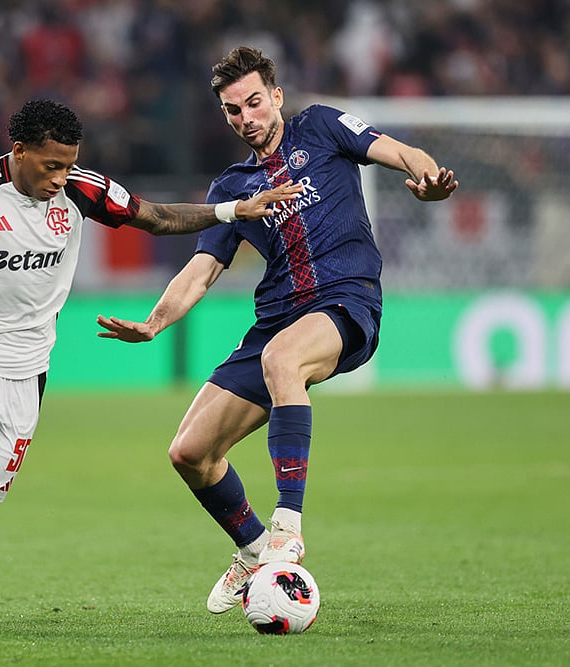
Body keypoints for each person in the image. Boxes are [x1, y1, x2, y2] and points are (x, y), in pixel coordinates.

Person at [0, 99, 301, 633]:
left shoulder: (81, 189)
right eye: (50, 166)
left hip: (27, 375)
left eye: (69, 165)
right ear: (19, 151)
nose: (60, 178)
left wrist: (232, 211)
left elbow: (156, 218)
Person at [96, 46, 458, 614]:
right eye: (233, 109)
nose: (247, 117)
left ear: (277, 96)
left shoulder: (322, 126)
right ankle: (253, 548)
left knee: (283, 360)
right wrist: (154, 323)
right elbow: (201, 270)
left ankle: (288, 526)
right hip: (276, 320)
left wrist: (428, 176)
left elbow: (399, 151)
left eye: (255, 102)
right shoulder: (231, 188)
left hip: (345, 301)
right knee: (189, 452)